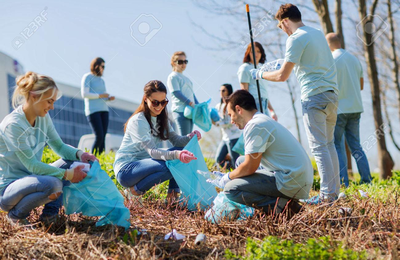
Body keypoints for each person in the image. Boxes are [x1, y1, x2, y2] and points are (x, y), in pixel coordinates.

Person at [251, 4, 339, 204]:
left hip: (314, 97)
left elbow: (282, 76)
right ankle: (333, 193)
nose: (282, 31)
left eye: (280, 26)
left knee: (318, 147)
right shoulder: (316, 33)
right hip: (332, 95)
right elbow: (308, 60)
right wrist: (282, 61)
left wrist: (260, 74)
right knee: (329, 144)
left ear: (285, 22)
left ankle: (326, 197)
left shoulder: (294, 38)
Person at [0, 72, 97, 226]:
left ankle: (49, 217)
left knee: (73, 162)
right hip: (9, 190)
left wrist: (81, 155)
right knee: (54, 184)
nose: (52, 107)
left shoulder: (43, 118)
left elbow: (58, 146)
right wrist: (69, 174)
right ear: (34, 96)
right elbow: (32, 165)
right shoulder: (14, 125)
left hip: (34, 179)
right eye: (49, 101)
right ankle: (16, 216)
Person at [210, 90, 313, 215]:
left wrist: (228, 177)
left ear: (239, 109)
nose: (231, 121)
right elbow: (247, 162)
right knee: (240, 161)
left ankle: (285, 208)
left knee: (231, 189)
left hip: (291, 180)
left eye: (230, 114)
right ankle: (268, 205)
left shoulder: (255, 125)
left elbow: (250, 167)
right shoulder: (261, 120)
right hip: (295, 175)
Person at [114, 80, 201, 202]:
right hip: (126, 170)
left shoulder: (162, 119)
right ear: (145, 99)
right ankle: (132, 192)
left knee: (180, 153)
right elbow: (153, 152)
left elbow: (176, 141)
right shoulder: (139, 121)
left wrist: (189, 137)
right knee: (173, 162)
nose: (160, 106)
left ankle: (172, 197)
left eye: (163, 102)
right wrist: (177, 155)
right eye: (155, 102)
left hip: (145, 165)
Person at [326, 33, 371, 187]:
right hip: (356, 108)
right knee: (356, 146)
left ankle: (344, 183)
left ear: (329, 44)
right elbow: (361, 86)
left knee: (337, 145)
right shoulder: (354, 59)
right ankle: (367, 180)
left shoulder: (330, 60)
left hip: (339, 109)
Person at [81, 57, 115, 155]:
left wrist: (108, 98)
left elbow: (103, 96)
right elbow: (85, 94)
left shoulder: (101, 81)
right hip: (93, 111)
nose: (103, 69)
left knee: (103, 136)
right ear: (96, 66)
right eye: (102, 66)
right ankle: (92, 159)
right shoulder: (87, 77)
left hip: (104, 110)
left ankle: (101, 160)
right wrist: (100, 95)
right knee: (99, 136)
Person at [238, 42, 277, 120]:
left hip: (264, 102)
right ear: (248, 53)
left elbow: (263, 92)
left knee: (267, 128)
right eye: (252, 52)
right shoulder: (245, 68)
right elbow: (244, 91)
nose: (256, 54)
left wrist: (272, 110)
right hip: (254, 102)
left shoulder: (262, 69)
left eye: (258, 51)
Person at [167, 51, 199, 136]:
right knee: (184, 138)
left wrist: (198, 105)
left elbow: (192, 95)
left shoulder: (187, 79)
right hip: (180, 111)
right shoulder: (173, 76)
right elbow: (176, 93)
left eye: (185, 61)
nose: (183, 64)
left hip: (190, 111)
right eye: (180, 62)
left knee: (188, 138)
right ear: (173, 63)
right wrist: (190, 102)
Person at [214, 84, 241, 169]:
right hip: (225, 137)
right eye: (220, 91)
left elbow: (231, 121)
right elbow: (217, 120)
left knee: (235, 161)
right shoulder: (218, 106)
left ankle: (238, 176)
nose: (221, 93)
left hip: (234, 136)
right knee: (218, 159)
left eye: (223, 90)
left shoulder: (232, 104)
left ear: (229, 91)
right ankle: (231, 172)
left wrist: (219, 123)